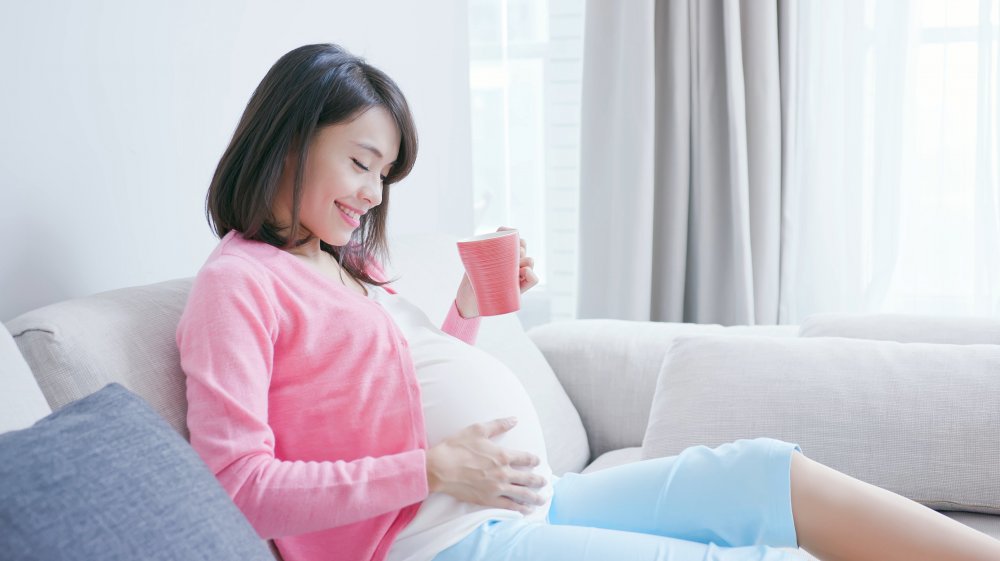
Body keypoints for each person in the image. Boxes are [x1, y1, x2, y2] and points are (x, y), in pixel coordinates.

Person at [176, 43, 1000, 561]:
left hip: (515, 498)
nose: (369, 192)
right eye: (360, 161)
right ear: (289, 135)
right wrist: (430, 468)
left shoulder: (342, 261)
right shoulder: (238, 284)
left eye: (381, 175)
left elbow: (396, 385)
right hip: (435, 539)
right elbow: (239, 482)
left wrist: (466, 306)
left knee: (762, 473)